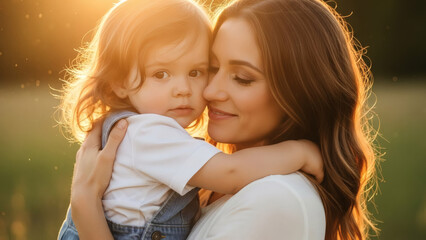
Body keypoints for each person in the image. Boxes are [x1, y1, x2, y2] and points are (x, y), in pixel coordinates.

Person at [69, 0, 380, 239]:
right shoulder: (197, 174)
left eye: (242, 78)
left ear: (299, 94)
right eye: (214, 68)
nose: (209, 90)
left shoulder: (277, 199)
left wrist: (85, 205)